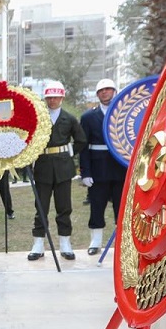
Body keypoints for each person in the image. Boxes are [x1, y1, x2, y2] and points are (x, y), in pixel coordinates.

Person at [29, 83, 88, 261]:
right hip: (43, 166)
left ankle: (65, 243)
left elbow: (81, 140)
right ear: (45, 99)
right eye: (49, 98)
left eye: (55, 97)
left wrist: (69, 152)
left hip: (63, 167)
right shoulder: (37, 118)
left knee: (64, 208)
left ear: (62, 98)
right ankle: (38, 244)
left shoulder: (69, 119)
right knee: (41, 207)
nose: (52, 101)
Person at [79, 79, 126, 254]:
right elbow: (83, 147)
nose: (105, 93)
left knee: (121, 208)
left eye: (108, 89)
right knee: (97, 206)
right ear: (97, 94)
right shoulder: (88, 117)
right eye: (101, 90)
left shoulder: (124, 113)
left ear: (114, 91)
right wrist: (85, 172)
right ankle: (95, 242)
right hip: (98, 170)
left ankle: (122, 243)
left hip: (121, 169)